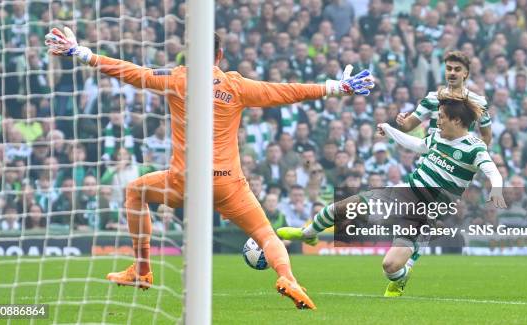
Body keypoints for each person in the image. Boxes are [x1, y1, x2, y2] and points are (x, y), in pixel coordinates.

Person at [45, 27, 374, 310]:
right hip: (229, 184)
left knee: (135, 191)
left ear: (190, 55)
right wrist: (335, 87)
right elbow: (286, 91)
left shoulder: (178, 79)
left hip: (184, 182)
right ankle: (288, 278)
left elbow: (131, 72)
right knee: (265, 234)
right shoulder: (236, 85)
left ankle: (142, 270)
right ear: (219, 55)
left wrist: (82, 53)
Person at [277, 93, 506, 297]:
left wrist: (496, 187)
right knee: (343, 207)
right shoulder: (438, 137)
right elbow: (417, 145)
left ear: (456, 120)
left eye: (442, 116)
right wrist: (389, 130)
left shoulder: (474, 148)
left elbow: (492, 171)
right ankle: (307, 233)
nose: (438, 120)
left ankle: (403, 275)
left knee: (390, 266)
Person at [396, 51, 492, 146]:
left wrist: (473, 155)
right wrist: (401, 121)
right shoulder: (431, 98)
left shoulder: (479, 102)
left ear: (465, 74)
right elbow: (407, 126)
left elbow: (486, 136)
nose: (452, 73)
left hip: (458, 158)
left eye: (457, 69)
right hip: (433, 157)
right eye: (449, 69)